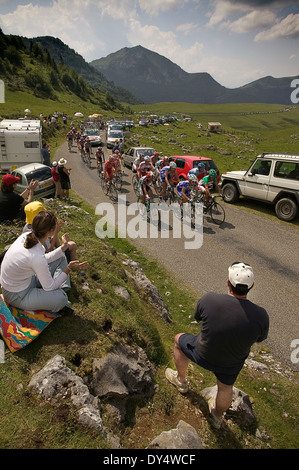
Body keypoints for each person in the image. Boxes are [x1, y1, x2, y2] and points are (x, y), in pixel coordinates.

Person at [165, 262, 269, 429]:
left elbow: (197, 317)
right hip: (230, 364)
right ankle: (217, 417)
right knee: (225, 387)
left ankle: (181, 381)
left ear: (228, 282)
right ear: (252, 286)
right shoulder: (261, 315)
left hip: (202, 353)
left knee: (178, 340)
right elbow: (260, 339)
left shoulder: (209, 299)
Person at [0, 210, 88, 314]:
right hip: (17, 295)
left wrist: (62, 248)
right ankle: (57, 294)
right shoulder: (36, 257)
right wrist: (68, 269)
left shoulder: (27, 235)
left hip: (23, 282)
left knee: (61, 257)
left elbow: (43, 258)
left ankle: (57, 290)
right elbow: (48, 286)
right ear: (50, 231)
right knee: (62, 298)